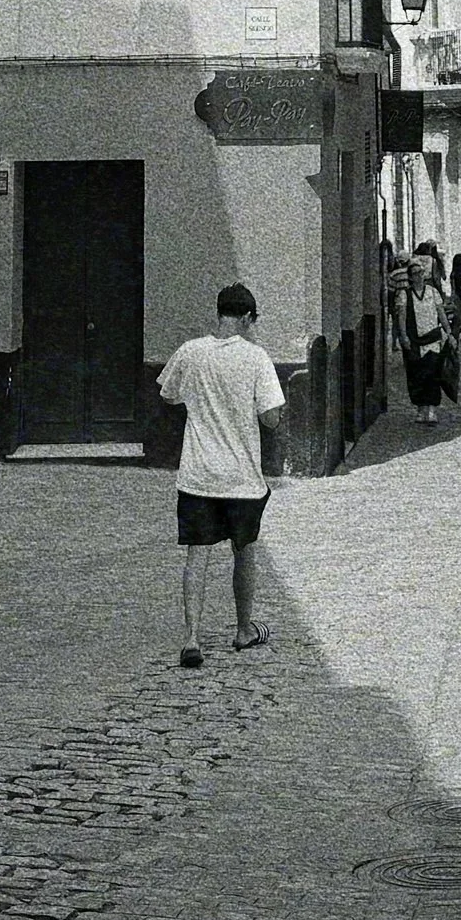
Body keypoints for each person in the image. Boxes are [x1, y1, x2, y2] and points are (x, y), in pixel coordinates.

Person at [158, 281, 287, 666]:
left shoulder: (191, 352)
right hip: (241, 477)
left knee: (197, 555)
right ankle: (244, 629)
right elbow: (270, 419)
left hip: (198, 473)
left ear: (219, 314)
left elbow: (168, 394)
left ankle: (192, 638)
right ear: (247, 318)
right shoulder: (256, 359)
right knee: (244, 552)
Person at [399, 254, 453, 421]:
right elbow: (401, 316)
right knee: (416, 374)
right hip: (414, 340)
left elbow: (441, 313)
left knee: (432, 373)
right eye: (414, 274)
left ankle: (431, 409)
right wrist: (404, 337)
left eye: (420, 273)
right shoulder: (404, 295)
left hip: (432, 338)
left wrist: (449, 332)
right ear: (410, 277)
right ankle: (420, 408)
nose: (418, 276)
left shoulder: (432, 292)